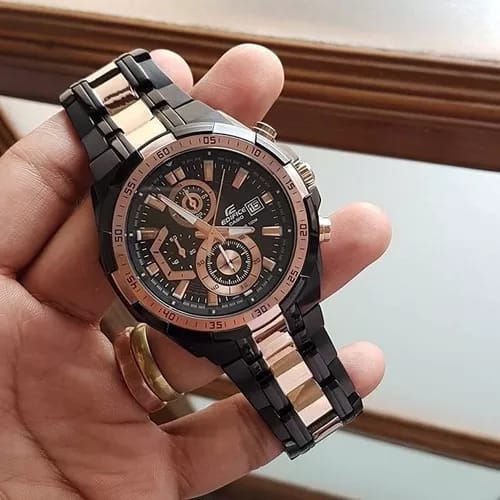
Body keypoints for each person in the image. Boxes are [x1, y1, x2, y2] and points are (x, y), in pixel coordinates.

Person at [0, 44, 390, 499]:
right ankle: (313, 412)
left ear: (296, 181)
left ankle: (314, 411)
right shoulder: (125, 247)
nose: (212, 234)